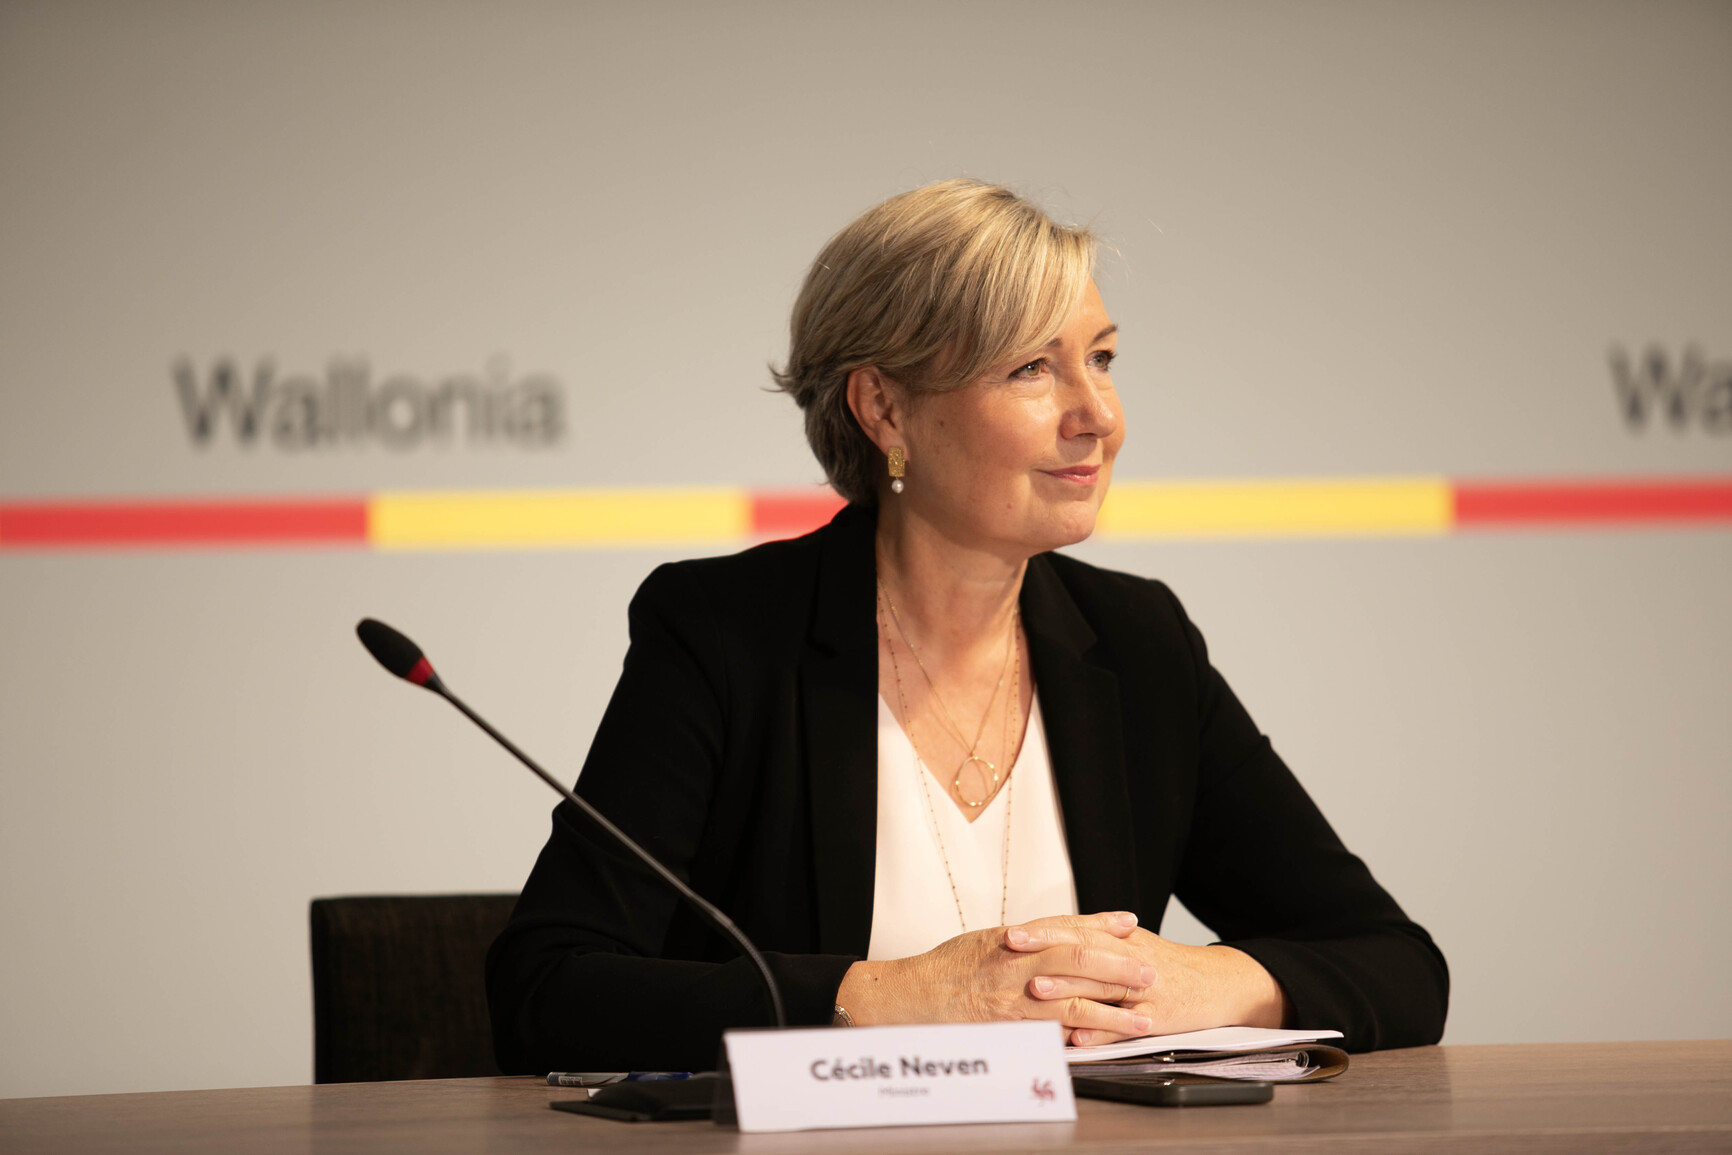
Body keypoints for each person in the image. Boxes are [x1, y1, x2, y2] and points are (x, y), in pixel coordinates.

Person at [486, 179, 1448, 1073]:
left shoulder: (1137, 641)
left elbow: (1399, 966)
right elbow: (547, 988)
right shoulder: (727, 635)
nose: (1098, 416)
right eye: (1033, 368)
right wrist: (891, 996)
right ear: (884, 408)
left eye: (1103, 358)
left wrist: (1206, 983)